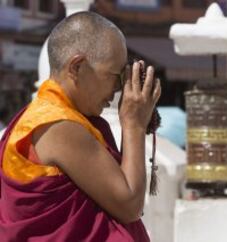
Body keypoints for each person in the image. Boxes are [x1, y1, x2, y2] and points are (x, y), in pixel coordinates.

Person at [0, 11, 161, 242]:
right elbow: (129, 205)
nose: (118, 88)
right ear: (77, 67)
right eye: (114, 75)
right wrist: (134, 124)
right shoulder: (57, 124)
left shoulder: (48, 115)